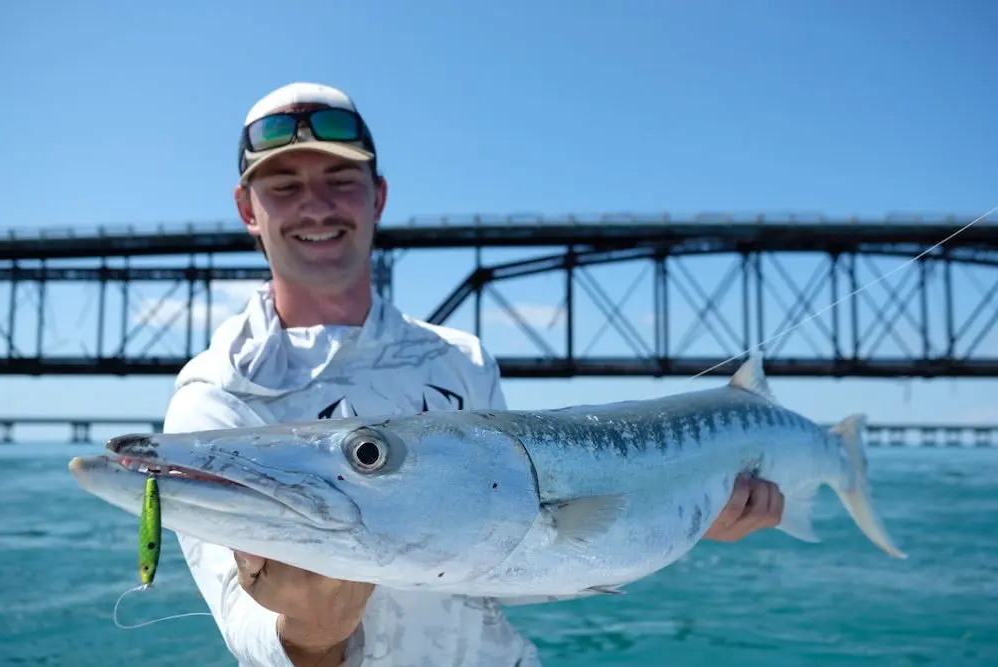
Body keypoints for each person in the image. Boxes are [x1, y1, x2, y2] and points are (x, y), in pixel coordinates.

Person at [162, 81, 786, 667]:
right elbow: (245, 628)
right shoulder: (215, 399)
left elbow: (513, 564)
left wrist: (685, 518)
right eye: (285, 186)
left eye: (340, 180)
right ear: (248, 208)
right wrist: (311, 633)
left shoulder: (462, 358)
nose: (316, 206)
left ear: (377, 196)